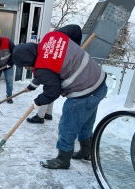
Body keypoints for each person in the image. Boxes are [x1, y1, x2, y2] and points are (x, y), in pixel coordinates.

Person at [13, 24, 107, 169]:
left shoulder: (43, 66)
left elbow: (52, 91)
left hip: (84, 90)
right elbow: (75, 29)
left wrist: (38, 101)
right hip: (99, 83)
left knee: (68, 125)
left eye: (25, 65)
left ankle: (63, 159)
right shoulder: (51, 37)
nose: (26, 68)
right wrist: (72, 52)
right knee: (86, 121)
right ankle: (86, 152)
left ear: (28, 59)